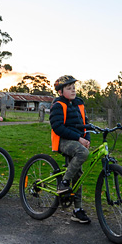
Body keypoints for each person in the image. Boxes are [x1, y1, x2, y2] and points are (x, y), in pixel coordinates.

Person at [49, 75, 91, 224]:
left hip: (77, 141)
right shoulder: (58, 105)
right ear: (60, 92)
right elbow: (58, 127)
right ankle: (64, 183)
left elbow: (86, 124)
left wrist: (87, 139)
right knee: (82, 153)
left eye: (74, 87)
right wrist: (79, 139)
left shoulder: (79, 104)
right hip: (63, 141)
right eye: (68, 88)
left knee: (78, 174)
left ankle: (77, 210)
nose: (73, 90)